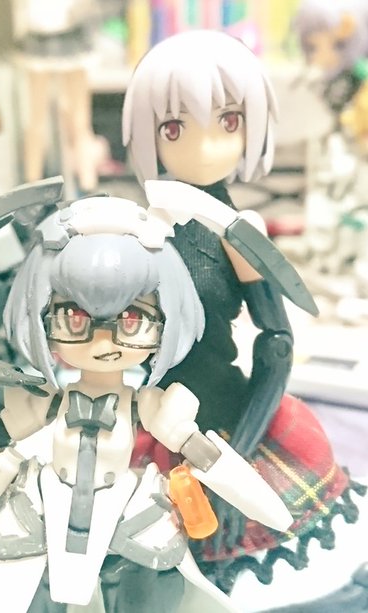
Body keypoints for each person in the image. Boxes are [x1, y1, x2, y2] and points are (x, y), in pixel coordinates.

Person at [0, 194, 292, 612]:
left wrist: (264, 505)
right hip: (49, 510)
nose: (103, 341)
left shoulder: (152, 407)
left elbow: (205, 454)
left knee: (145, 583)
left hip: (125, 514)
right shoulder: (44, 402)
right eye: (74, 319)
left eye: (132, 320)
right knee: (37, 589)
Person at [122, 30, 360, 589]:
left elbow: (276, 345)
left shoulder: (237, 232)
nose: (204, 148)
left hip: (228, 414)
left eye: (227, 122)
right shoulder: (139, 228)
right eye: (174, 128)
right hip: (153, 408)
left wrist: (241, 453)